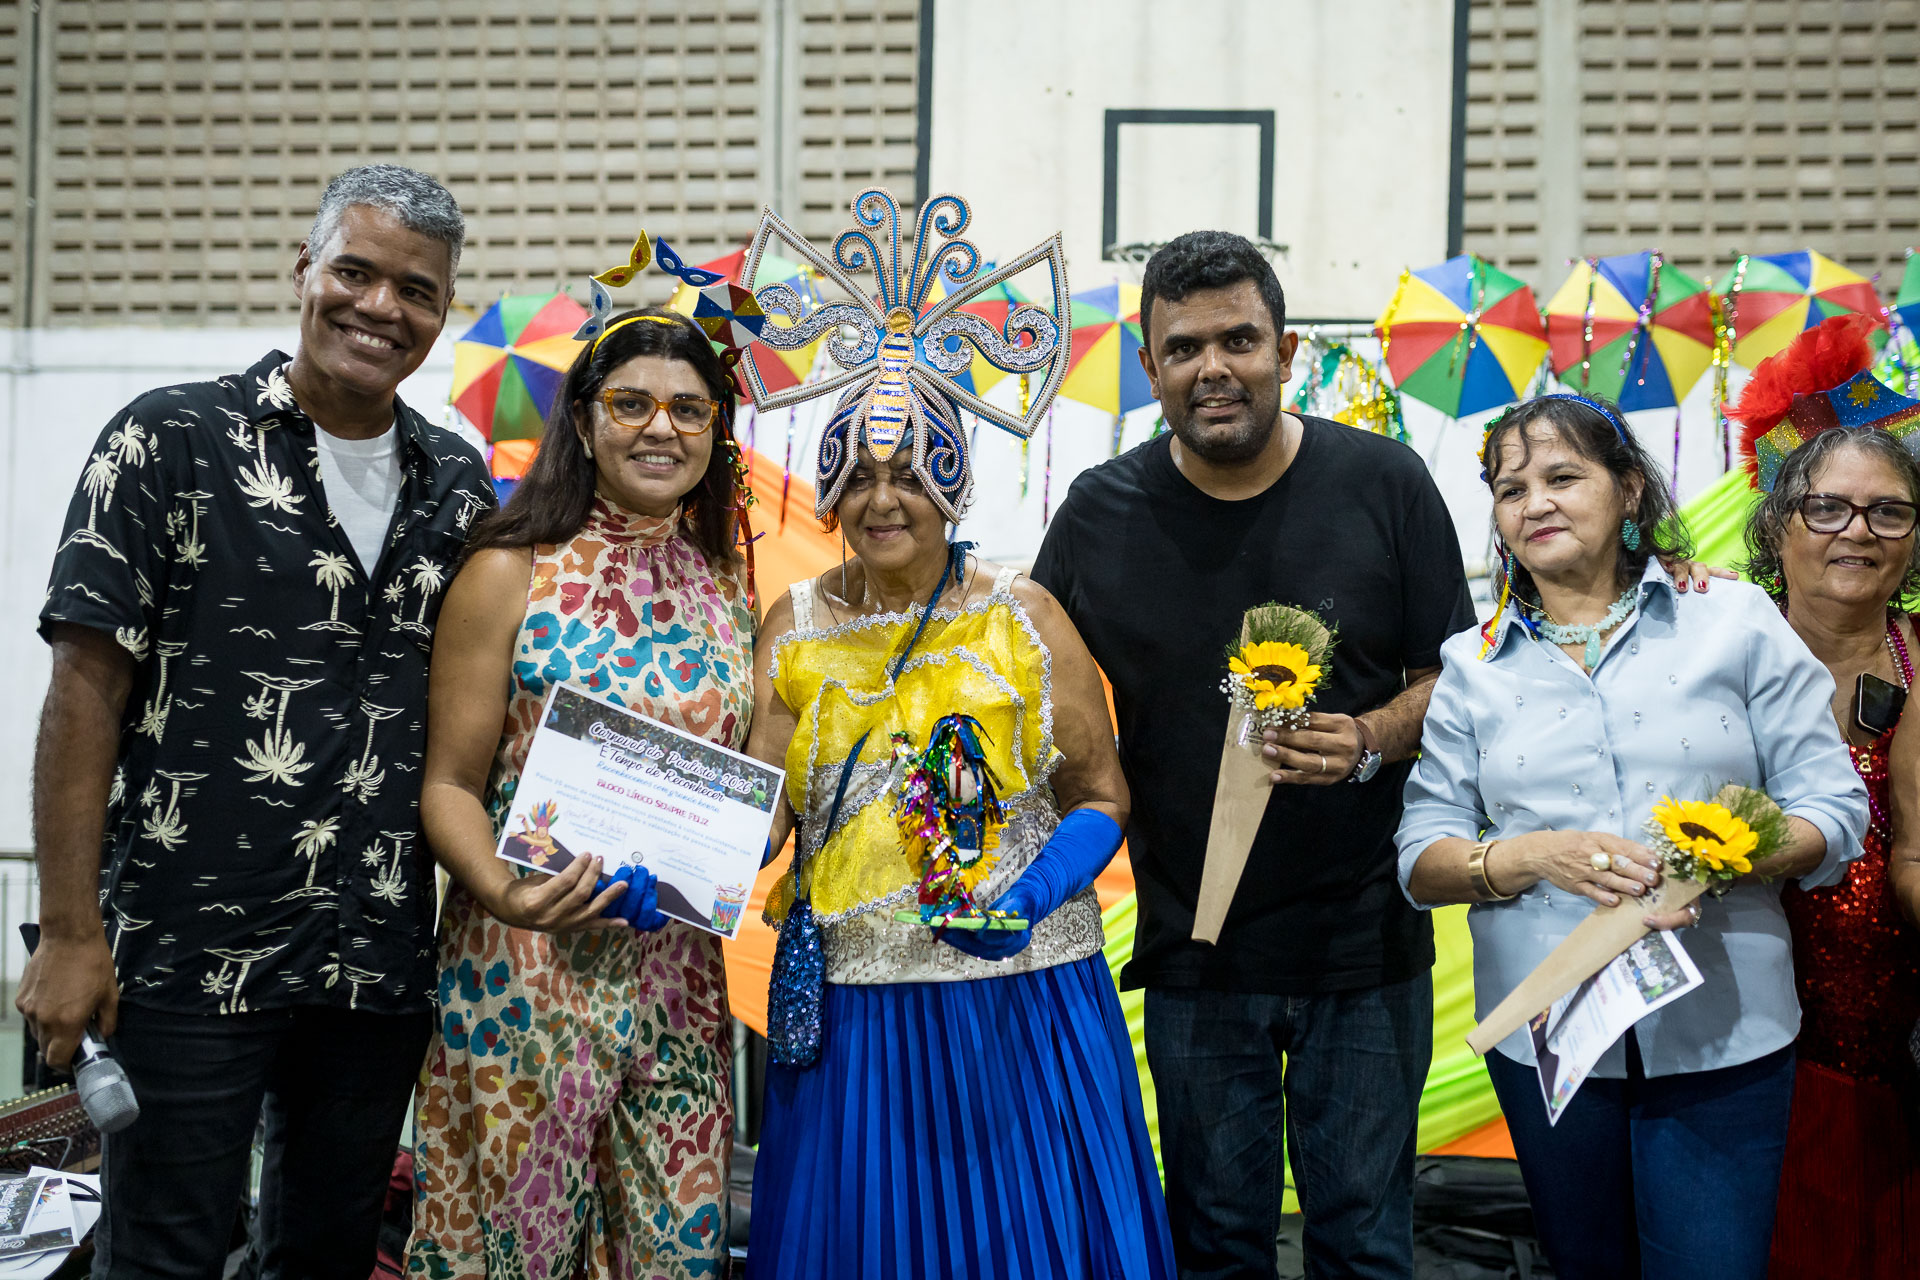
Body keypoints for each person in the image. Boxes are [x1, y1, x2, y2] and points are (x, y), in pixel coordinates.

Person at [20, 164, 490, 1277]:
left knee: (326, 1259)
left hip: (374, 960)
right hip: (185, 952)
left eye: (416, 291)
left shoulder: (457, 485)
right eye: (356, 272)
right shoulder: (167, 440)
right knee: (162, 1257)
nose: (381, 308)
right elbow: (84, 693)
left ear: (441, 312)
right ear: (304, 268)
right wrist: (72, 929)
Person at [737, 186, 1175, 1278]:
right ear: (830, 485)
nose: (883, 499)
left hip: (1021, 998)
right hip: (856, 1009)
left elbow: (1102, 795)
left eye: (909, 472)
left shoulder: (1023, 615)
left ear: (952, 479)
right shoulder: (792, 624)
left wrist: (1031, 897)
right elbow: (762, 811)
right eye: (860, 474)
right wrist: (664, 852)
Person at [1030, 230, 1472, 1278]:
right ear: (1150, 366)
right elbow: (1026, 689)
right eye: (1184, 348)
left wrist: (1370, 738)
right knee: (1215, 1246)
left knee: (1364, 1246)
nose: (1214, 367)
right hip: (1194, 954)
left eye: (1239, 340)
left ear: (1287, 351)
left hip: (1364, 947)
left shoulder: (1385, 481)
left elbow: (1454, 678)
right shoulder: (1099, 513)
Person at [1395, 392, 1870, 1280]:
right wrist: (1530, 857)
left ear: (1630, 491)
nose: (1535, 503)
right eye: (1511, 489)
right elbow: (1422, 856)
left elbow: (1834, 807)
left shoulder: (1733, 621)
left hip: (1726, 1031)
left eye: (1562, 477)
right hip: (1547, 1041)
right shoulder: (1471, 664)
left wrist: (1725, 858)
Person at [406, 308, 755, 1279]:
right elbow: (448, 784)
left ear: (716, 429)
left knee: (672, 1250)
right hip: (523, 966)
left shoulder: (729, 584)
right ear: (584, 420)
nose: (661, 428)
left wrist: (736, 856)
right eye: (632, 403)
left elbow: (746, 791)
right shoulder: (508, 567)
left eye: (690, 409)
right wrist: (507, 892)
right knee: (513, 1251)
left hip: (677, 976)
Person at [1726, 315, 1920, 1279]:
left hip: (1900, 1055)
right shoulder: (1713, 651)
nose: (1858, 532)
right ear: (1777, 524)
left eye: (1889, 512)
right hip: (1736, 1050)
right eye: (1828, 508)